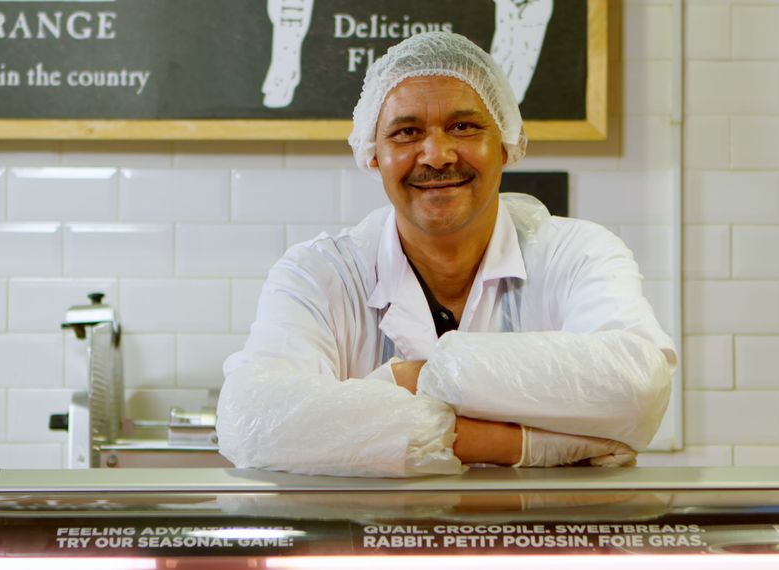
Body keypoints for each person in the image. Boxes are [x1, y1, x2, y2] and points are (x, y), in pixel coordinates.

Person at [218, 32, 676, 477]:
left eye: (464, 126)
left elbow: (637, 385)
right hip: (370, 545)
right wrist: (526, 444)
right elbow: (253, 423)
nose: (436, 155)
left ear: (505, 143)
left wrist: (409, 380)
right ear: (373, 154)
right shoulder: (319, 274)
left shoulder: (576, 253)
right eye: (406, 132)